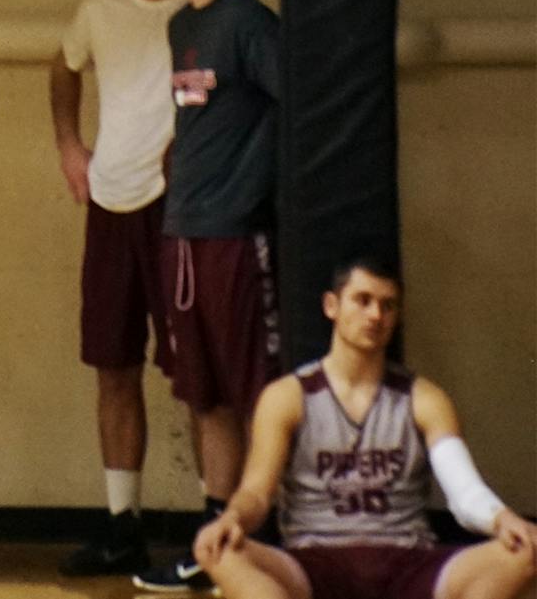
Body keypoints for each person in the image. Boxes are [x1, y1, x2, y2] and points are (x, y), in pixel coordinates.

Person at [194, 255, 535, 599]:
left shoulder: (425, 398)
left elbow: (464, 493)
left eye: (387, 305)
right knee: (218, 550)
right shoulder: (288, 396)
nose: (375, 315)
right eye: (363, 300)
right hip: (313, 562)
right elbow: (256, 492)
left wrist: (502, 519)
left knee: (523, 554)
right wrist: (232, 518)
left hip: (408, 560)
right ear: (332, 306)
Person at [135, 0, 282, 595]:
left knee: (258, 388)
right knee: (204, 395)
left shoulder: (251, 23)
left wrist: (254, 187)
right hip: (182, 231)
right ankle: (214, 537)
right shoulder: (178, 29)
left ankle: (266, 535)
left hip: (235, 234)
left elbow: (301, 111)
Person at [50, 0, 190, 577]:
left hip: (181, 208)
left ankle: (216, 523)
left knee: (196, 371)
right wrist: (70, 144)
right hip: (110, 203)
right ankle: (121, 523)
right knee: (112, 363)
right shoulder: (99, 9)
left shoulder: (203, 10)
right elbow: (63, 66)